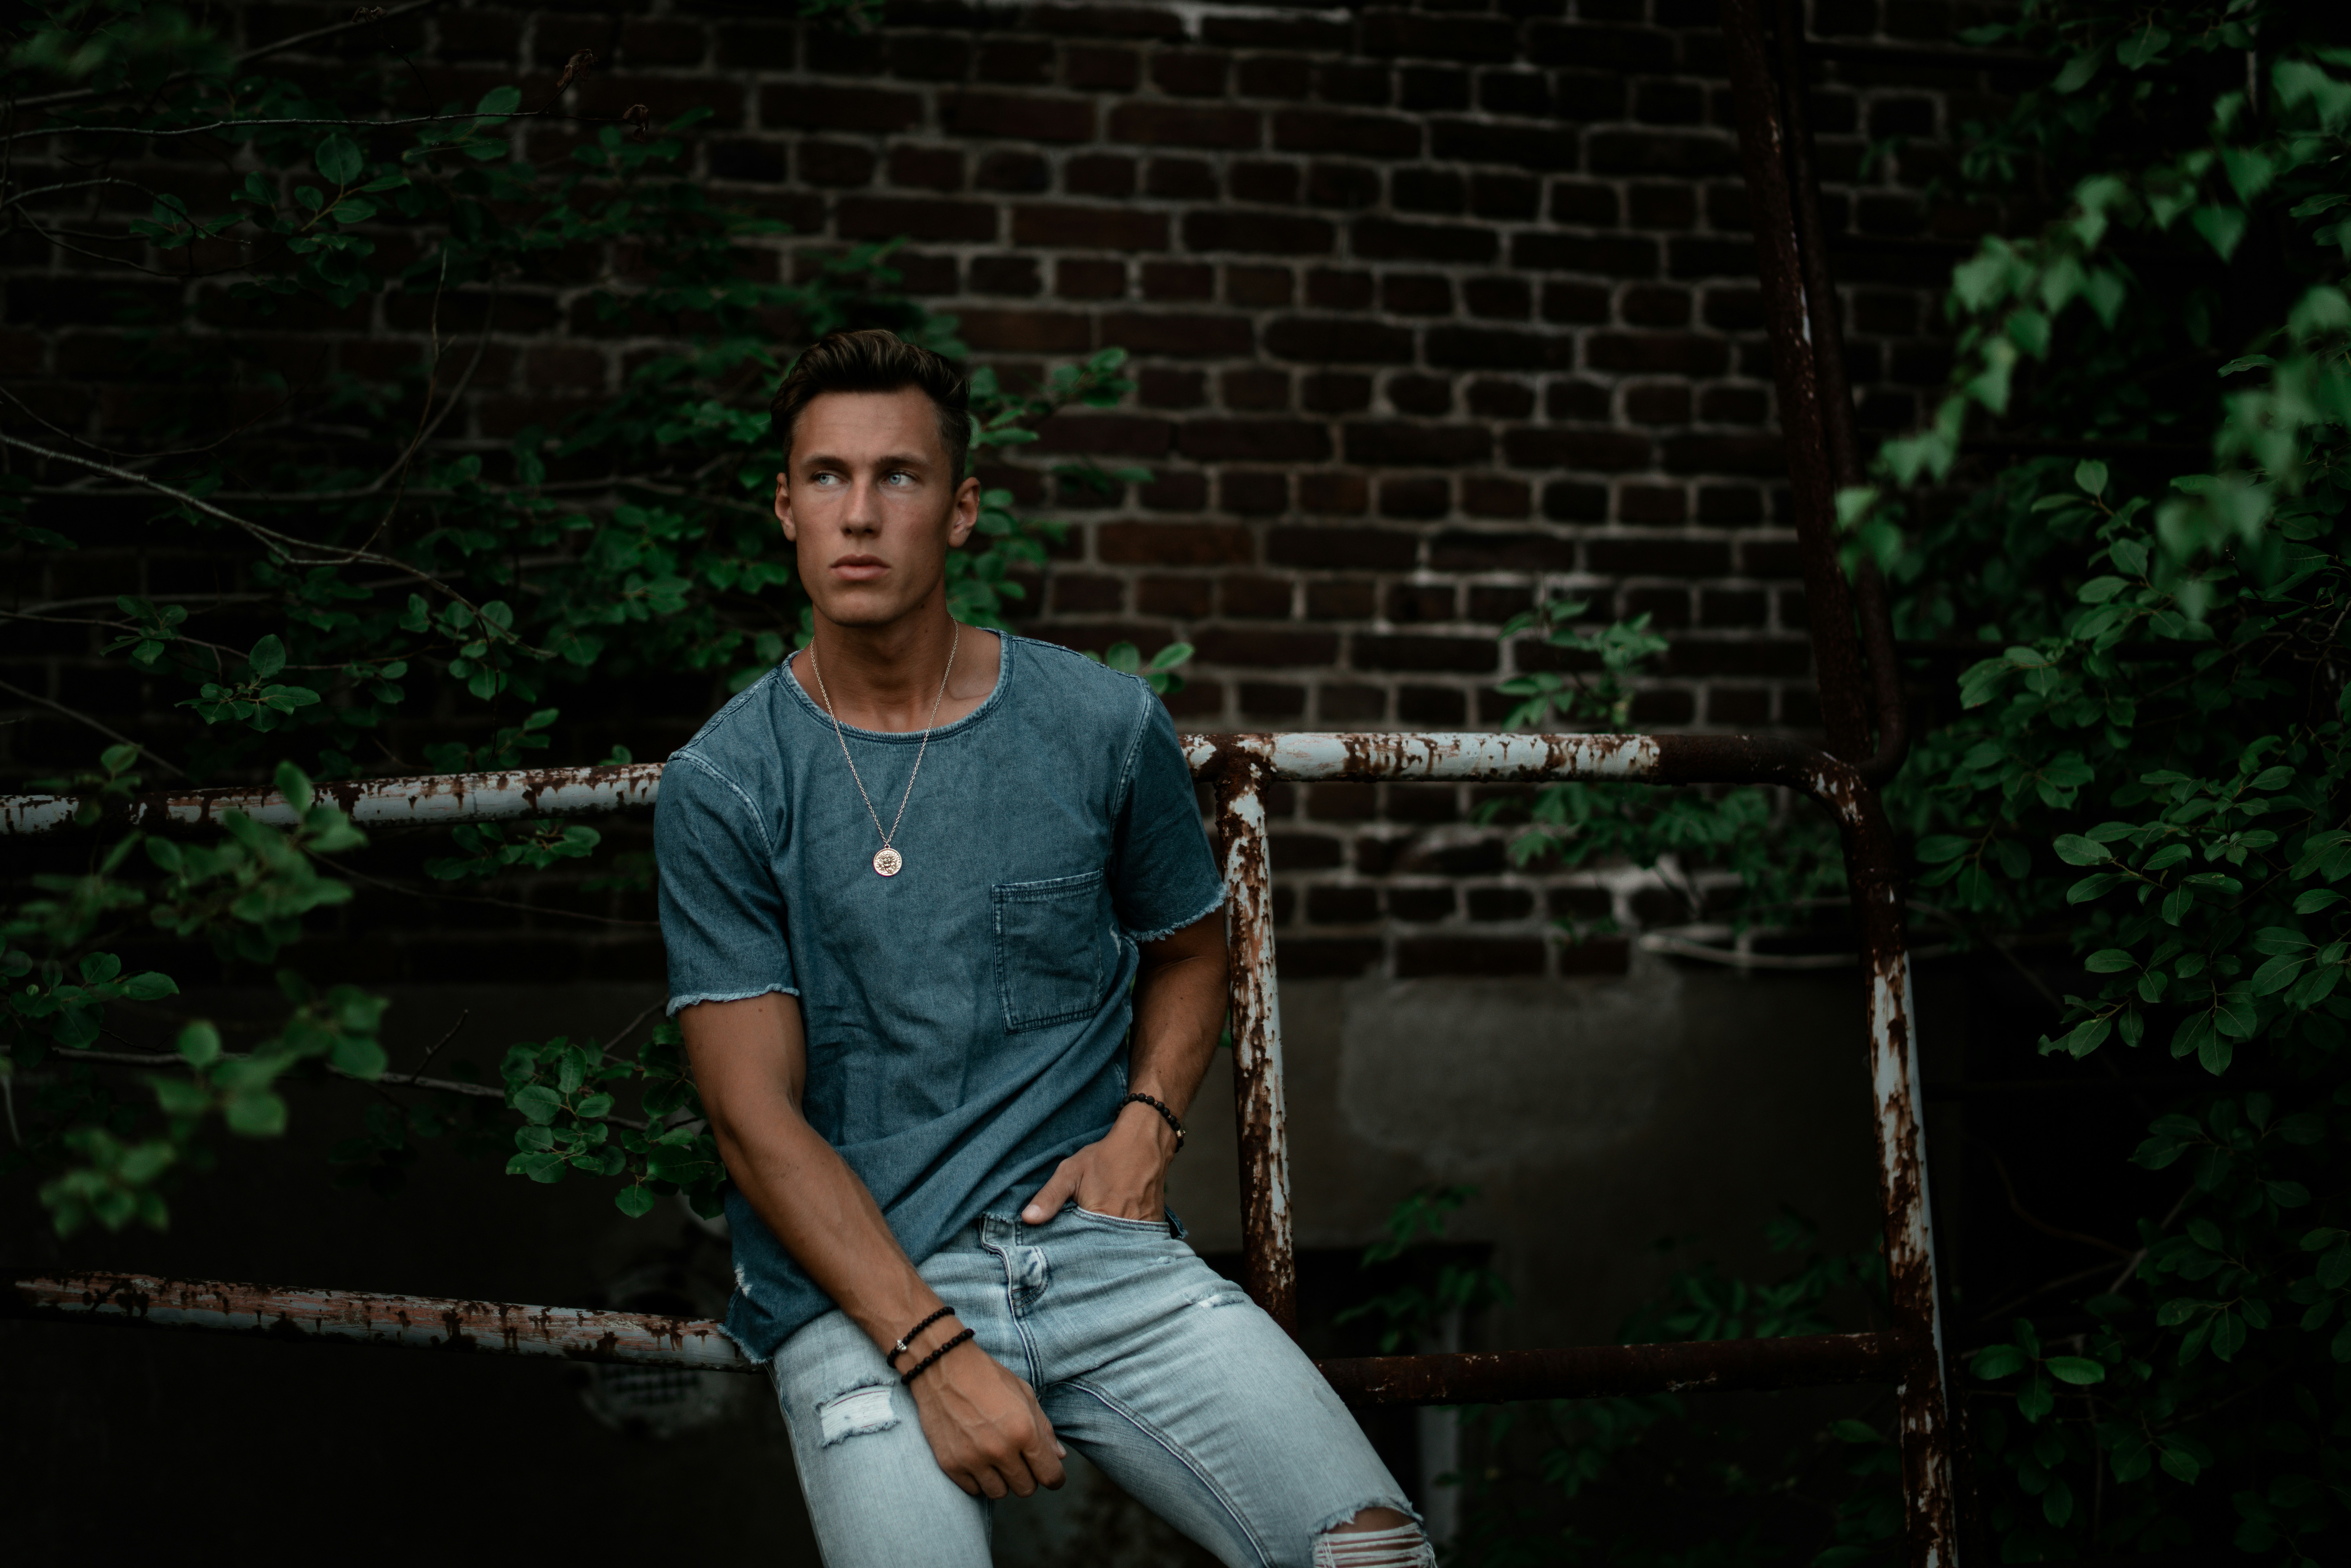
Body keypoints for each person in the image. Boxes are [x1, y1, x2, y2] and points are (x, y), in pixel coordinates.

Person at [655, 329, 1434, 1568]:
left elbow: (1189, 950)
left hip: (1096, 1258)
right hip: (866, 1296)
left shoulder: (1097, 721)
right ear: (783, 507)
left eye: (898, 478)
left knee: (1375, 1556)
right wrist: (931, 1352)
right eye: (825, 478)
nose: (859, 514)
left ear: (960, 510)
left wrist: (1148, 1124)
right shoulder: (729, 784)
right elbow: (755, 1120)